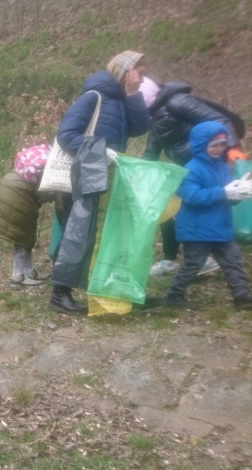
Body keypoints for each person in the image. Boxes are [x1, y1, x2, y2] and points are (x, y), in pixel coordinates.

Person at [48, 51, 152, 314]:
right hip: (84, 175)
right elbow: (66, 135)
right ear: (124, 70)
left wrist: (132, 94)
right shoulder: (92, 97)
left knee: (103, 234)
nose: (142, 77)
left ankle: (104, 286)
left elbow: (140, 128)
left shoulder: (121, 99)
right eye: (139, 72)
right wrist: (99, 149)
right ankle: (59, 294)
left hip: (109, 176)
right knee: (78, 234)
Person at [142, 78, 247, 277]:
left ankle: (204, 259)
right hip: (187, 168)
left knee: (196, 210)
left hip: (206, 166)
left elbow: (219, 120)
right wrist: (134, 172)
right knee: (167, 206)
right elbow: (151, 150)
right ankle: (170, 260)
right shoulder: (155, 117)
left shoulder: (177, 102)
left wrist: (232, 147)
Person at [164, 122, 252, 310]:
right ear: (201, 146)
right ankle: (174, 295)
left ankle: (242, 298)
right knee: (193, 264)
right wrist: (224, 193)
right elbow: (192, 197)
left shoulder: (223, 168)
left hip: (221, 227)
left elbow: (228, 196)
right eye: (213, 145)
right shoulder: (191, 169)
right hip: (197, 229)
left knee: (233, 261)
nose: (218, 149)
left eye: (221, 144)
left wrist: (238, 193)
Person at [0, 143, 54, 286]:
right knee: (22, 238)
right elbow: (43, 192)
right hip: (17, 196)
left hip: (10, 186)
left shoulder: (32, 166)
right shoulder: (50, 168)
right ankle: (17, 278)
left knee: (25, 237)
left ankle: (29, 271)